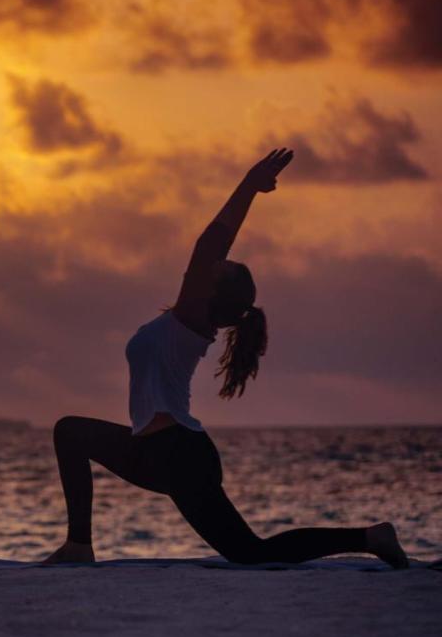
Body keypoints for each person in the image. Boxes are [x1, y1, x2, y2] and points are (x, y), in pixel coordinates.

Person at [44, 150, 409, 568]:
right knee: (70, 432)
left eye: (223, 268)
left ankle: (370, 537)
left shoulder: (190, 320)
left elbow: (209, 243)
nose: (214, 265)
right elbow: (210, 253)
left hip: (179, 455)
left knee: (251, 554)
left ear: (213, 292)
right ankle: (78, 546)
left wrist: (249, 186)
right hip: (149, 450)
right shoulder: (181, 325)